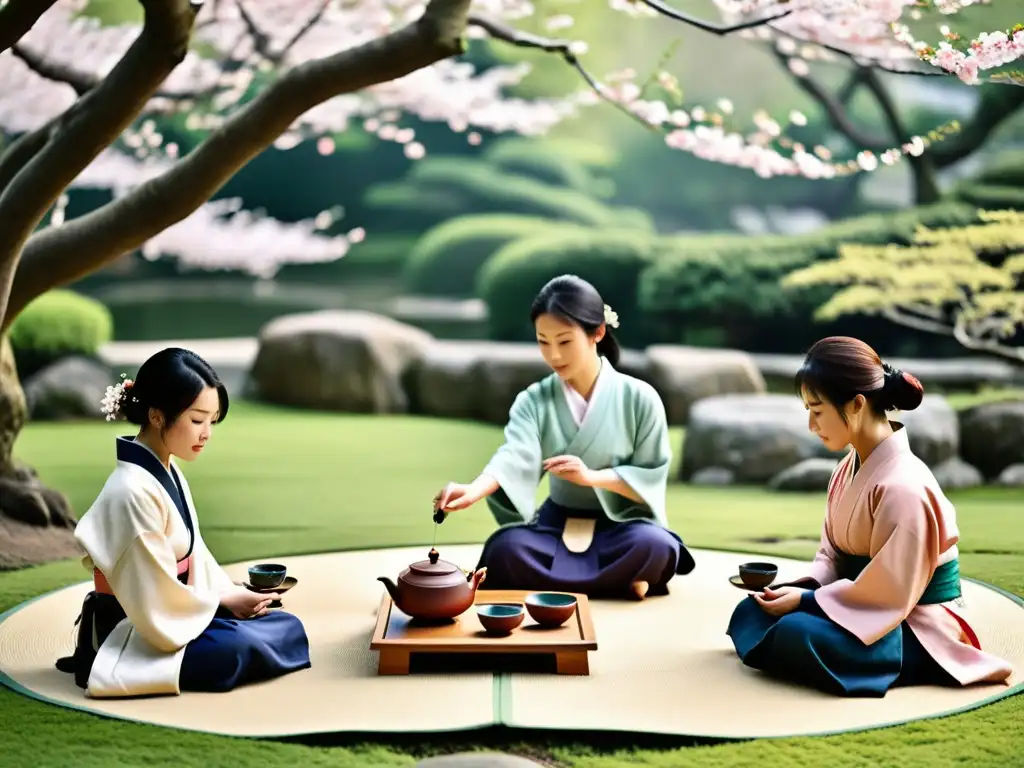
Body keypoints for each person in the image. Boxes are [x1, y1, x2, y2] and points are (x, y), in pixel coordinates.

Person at [726, 336, 1014, 697]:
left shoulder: (905, 484)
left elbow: (891, 592)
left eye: (817, 410)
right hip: (855, 604)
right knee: (751, 612)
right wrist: (802, 588)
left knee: (796, 631)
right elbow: (831, 556)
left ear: (857, 404)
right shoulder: (847, 468)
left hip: (909, 622)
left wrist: (807, 602)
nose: (812, 425)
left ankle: (898, 660)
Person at [55, 348, 311, 698]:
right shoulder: (130, 491)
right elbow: (153, 598)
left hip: (177, 608)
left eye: (212, 421)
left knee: (284, 627)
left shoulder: (167, 470)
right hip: (136, 623)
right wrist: (220, 602)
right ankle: (100, 653)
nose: (206, 433)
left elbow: (197, 558)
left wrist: (226, 593)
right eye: (196, 420)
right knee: (234, 650)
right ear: (157, 416)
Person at [433, 275, 695, 600]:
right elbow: (514, 455)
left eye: (564, 341)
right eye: (543, 341)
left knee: (656, 546)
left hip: (623, 526)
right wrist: (473, 490)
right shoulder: (534, 400)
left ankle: (588, 578)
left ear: (597, 332)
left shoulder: (640, 397)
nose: (554, 355)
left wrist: (591, 478)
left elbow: (651, 476)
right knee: (504, 549)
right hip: (554, 528)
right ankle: (625, 581)